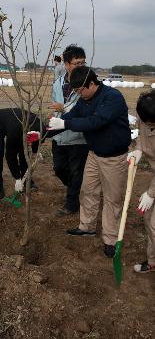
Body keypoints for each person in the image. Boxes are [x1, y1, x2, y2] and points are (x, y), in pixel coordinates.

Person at [49, 66, 131, 258]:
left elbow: (96, 121)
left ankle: (110, 240)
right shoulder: (84, 100)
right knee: (88, 190)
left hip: (114, 157)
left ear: (92, 84)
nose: (78, 94)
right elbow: (72, 116)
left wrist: (66, 124)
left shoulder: (112, 97)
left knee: (112, 198)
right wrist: (46, 132)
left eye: (80, 90)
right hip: (94, 154)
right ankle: (86, 226)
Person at [50, 45, 88, 216]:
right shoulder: (57, 83)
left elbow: (86, 109)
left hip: (78, 136)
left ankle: (71, 203)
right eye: (76, 63)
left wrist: (63, 108)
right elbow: (54, 106)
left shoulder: (87, 83)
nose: (81, 66)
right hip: (59, 135)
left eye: (83, 62)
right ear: (66, 64)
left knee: (76, 171)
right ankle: (76, 189)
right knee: (59, 168)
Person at [128, 90, 155, 273]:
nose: (147, 124)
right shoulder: (145, 111)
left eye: (151, 123)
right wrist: (138, 149)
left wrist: (151, 193)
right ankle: (153, 262)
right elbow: (141, 132)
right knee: (149, 220)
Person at [0, 108, 41, 198]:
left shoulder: (38, 125)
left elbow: (37, 138)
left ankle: (25, 180)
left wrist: (35, 151)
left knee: (23, 151)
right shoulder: (14, 131)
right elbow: (10, 156)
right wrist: (17, 177)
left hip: (17, 124)